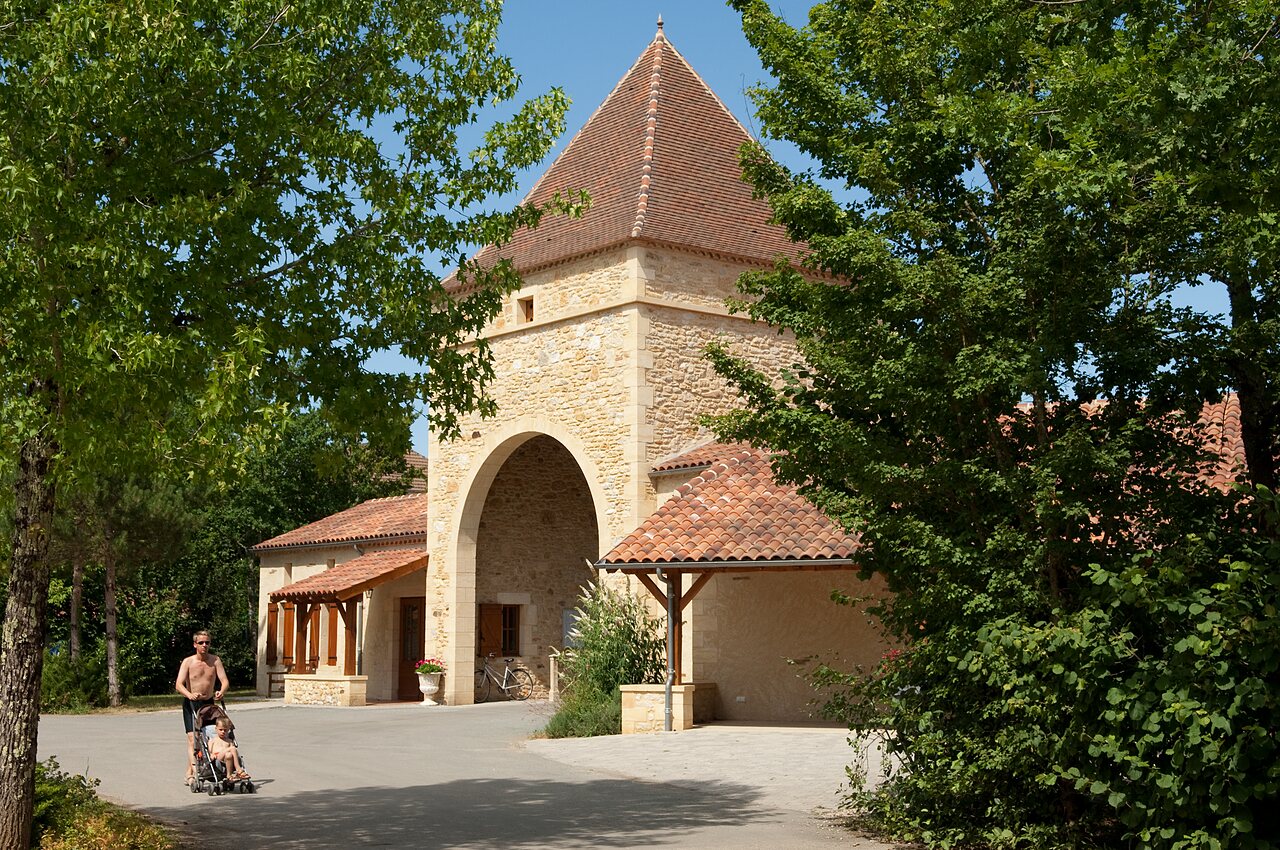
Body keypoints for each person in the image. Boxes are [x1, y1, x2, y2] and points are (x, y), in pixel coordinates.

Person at [175, 629, 228, 784]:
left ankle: (191, 771)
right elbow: (179, 684)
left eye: (207, 642)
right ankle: (194, 773)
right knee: (193, 739)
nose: (205, 645)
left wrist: (221, 691)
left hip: (208, 704)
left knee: (207, 738)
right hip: (192, 703)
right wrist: (189, 694)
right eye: (201, 643)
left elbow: (224, 680)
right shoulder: (188, 662)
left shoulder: (215, 660)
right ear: (195, 645)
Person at [207, 716, 249, 780]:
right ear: (216, 729)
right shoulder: (212, 740)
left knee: (229, 755)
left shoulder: (229, 740)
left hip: (227, 759)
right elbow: (209, 751)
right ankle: (238, 769)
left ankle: (229, 775)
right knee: (232, 748)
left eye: (225, 730)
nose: (223, 732)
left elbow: (233, 753)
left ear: (228, 730)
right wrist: (211, 754)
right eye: (220, 730)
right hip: (218, 757)